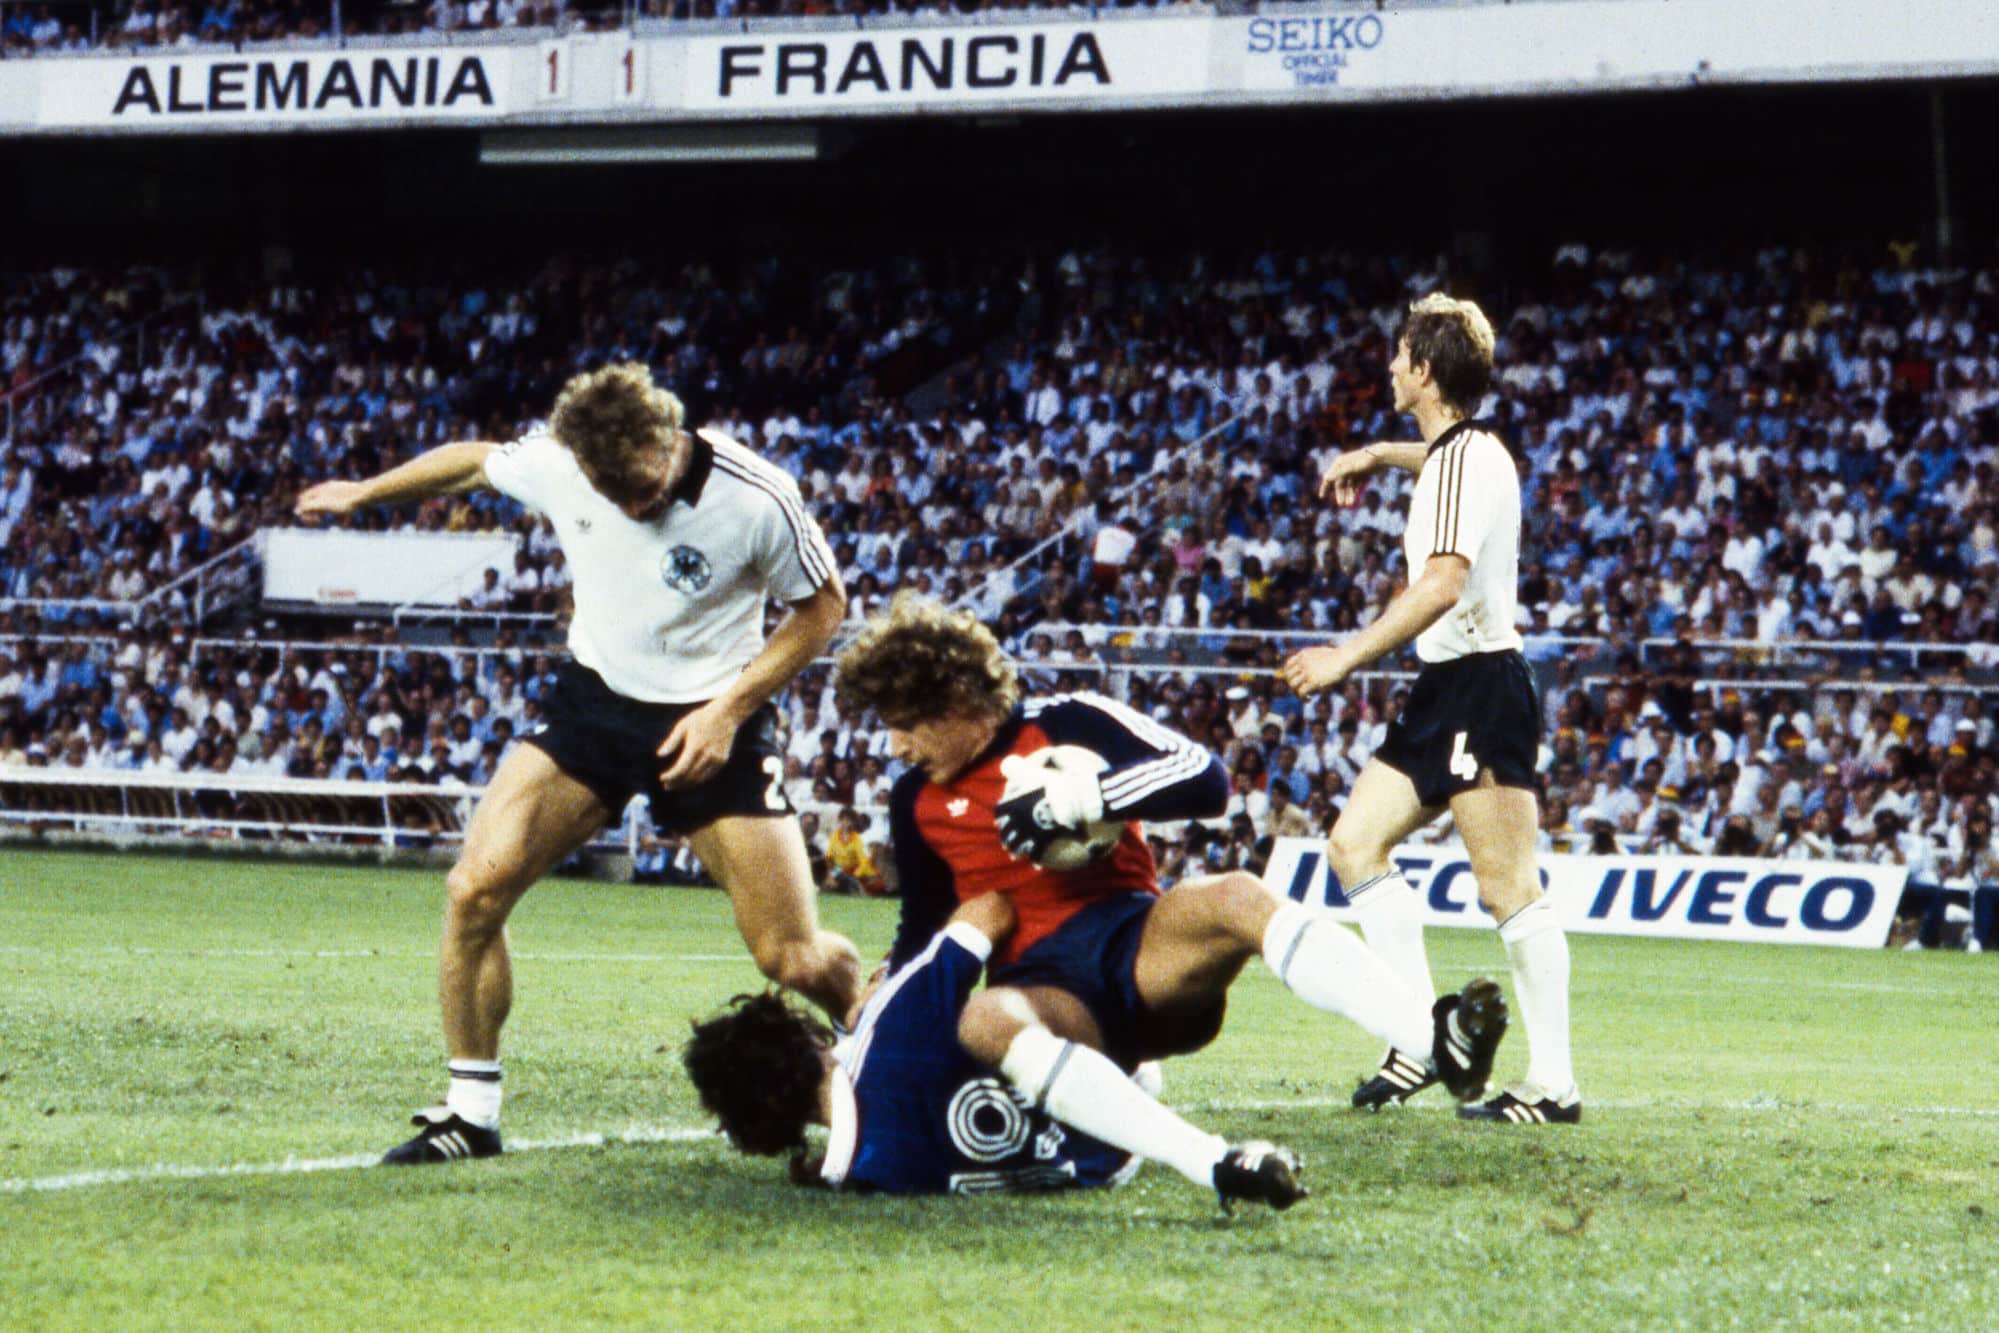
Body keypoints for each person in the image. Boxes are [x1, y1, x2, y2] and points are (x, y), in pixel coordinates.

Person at [294, 362, 861, 1164]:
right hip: (594, 705)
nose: (630, 507)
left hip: (711, 715)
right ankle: (470, 1114)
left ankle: (874, 1042)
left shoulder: (756, 496)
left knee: (790, 956)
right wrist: (363, 492)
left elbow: (823, 606)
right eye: (609, 491)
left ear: (668, 437)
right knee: (474, 888)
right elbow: (471, 461)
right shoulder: (559, 461)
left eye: (642, 488)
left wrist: (729, 711)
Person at [830, 596, 1507, 1188]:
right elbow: (924, 926)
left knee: (1238, 893)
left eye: (905, 723)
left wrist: (1090, 795)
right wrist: (882, 992)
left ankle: (1434, 1040)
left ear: (956, 698)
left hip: (1138, 948)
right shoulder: (914, 800)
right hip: (1047, 992)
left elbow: (1206, 778)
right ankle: (1213, 1162)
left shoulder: (1067, 719)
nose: (895, 746)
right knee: (983, 1018)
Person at [1283, 293, 1581, 1125]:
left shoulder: (1461, 461)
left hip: (1481, 685)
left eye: (1397, 354)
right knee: (1353, 844)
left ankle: (1554, 1084)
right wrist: (1377, 454)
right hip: (1444, 687)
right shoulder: (1468, 452)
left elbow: (1442, 583)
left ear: (1421, 369)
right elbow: (1437, 462)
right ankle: (1419, 1039)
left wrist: (1343, 655)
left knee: (1506, 887)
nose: (1387, 366)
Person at [686, 892, 1303, 1209]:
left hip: (1100, 1166)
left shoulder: (861, 1176)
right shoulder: (891, 1025)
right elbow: (991, 912)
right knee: (994, 1001)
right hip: (1121, 1074)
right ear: (803, 1035)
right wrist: (899, 971)